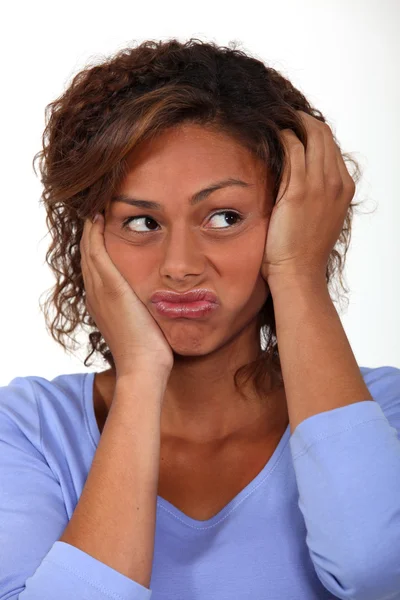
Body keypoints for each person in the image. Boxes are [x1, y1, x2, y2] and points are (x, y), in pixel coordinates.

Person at [1, 38, 400, 600]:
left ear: (296, 219)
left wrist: (297, 276)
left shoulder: (381, 413)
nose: (180, 266)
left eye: (225, 216)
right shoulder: (27, 431)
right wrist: (141, 377)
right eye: (142, 222)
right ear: (89, 238)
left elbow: (378, 572)